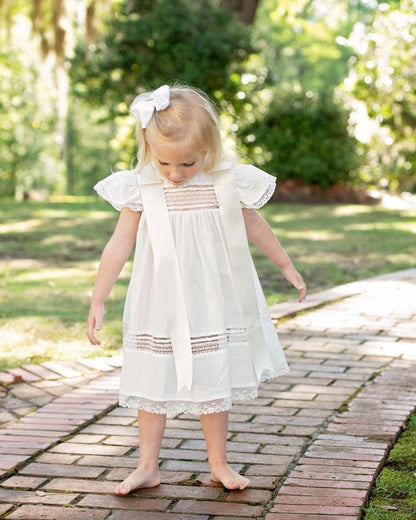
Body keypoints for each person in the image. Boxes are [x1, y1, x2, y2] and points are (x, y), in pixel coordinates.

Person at [86, 84, 306, 495]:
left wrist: (286, 264)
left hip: (211, 297)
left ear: (209, 148)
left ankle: (219, 463)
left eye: (187, 162)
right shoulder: (142, 186)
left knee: (214, 375)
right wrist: (98, 298)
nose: (175, 174)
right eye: (165, 162)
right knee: (153, 380)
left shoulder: (224, 181)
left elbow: (254, 225)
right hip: (159, 298)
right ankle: (148, 465)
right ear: (149, 149)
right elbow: (119, 245)